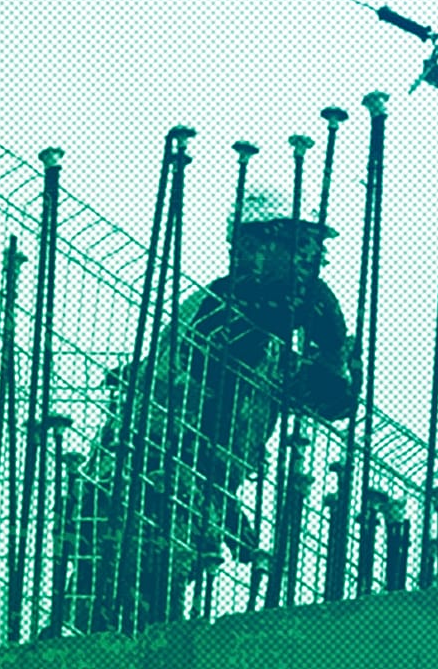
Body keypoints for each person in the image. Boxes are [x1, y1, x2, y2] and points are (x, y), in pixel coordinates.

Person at [74, 188, 359, 628]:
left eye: (315, 250)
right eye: (297, 245)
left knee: (155, 605)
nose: (313, 260)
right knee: (118, 600)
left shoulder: (281, 337)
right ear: (251, 245)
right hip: (143, 483)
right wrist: (309, 311)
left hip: (193, 492)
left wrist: (336, 350)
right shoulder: (217, 307)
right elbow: (231, 343)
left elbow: (334, 403)